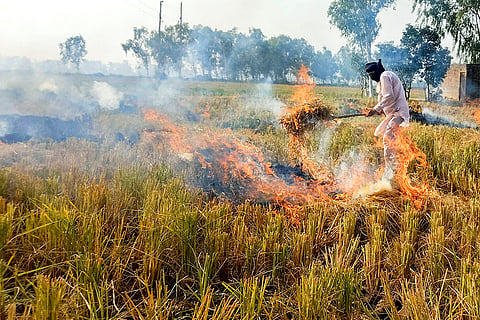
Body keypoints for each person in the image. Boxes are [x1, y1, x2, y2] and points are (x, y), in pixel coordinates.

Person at [365, 59, 410, 186]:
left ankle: (391, 170)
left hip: (398, 112)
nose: (371, 77)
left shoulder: (385, 75)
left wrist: (375, 109)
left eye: (371, 74)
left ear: (376, 72)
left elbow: (389, 96)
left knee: (388, 138)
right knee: (390, 139)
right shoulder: (383, 79)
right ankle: (392, 168)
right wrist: (378, 111)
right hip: (392, 113)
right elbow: (388, 99)